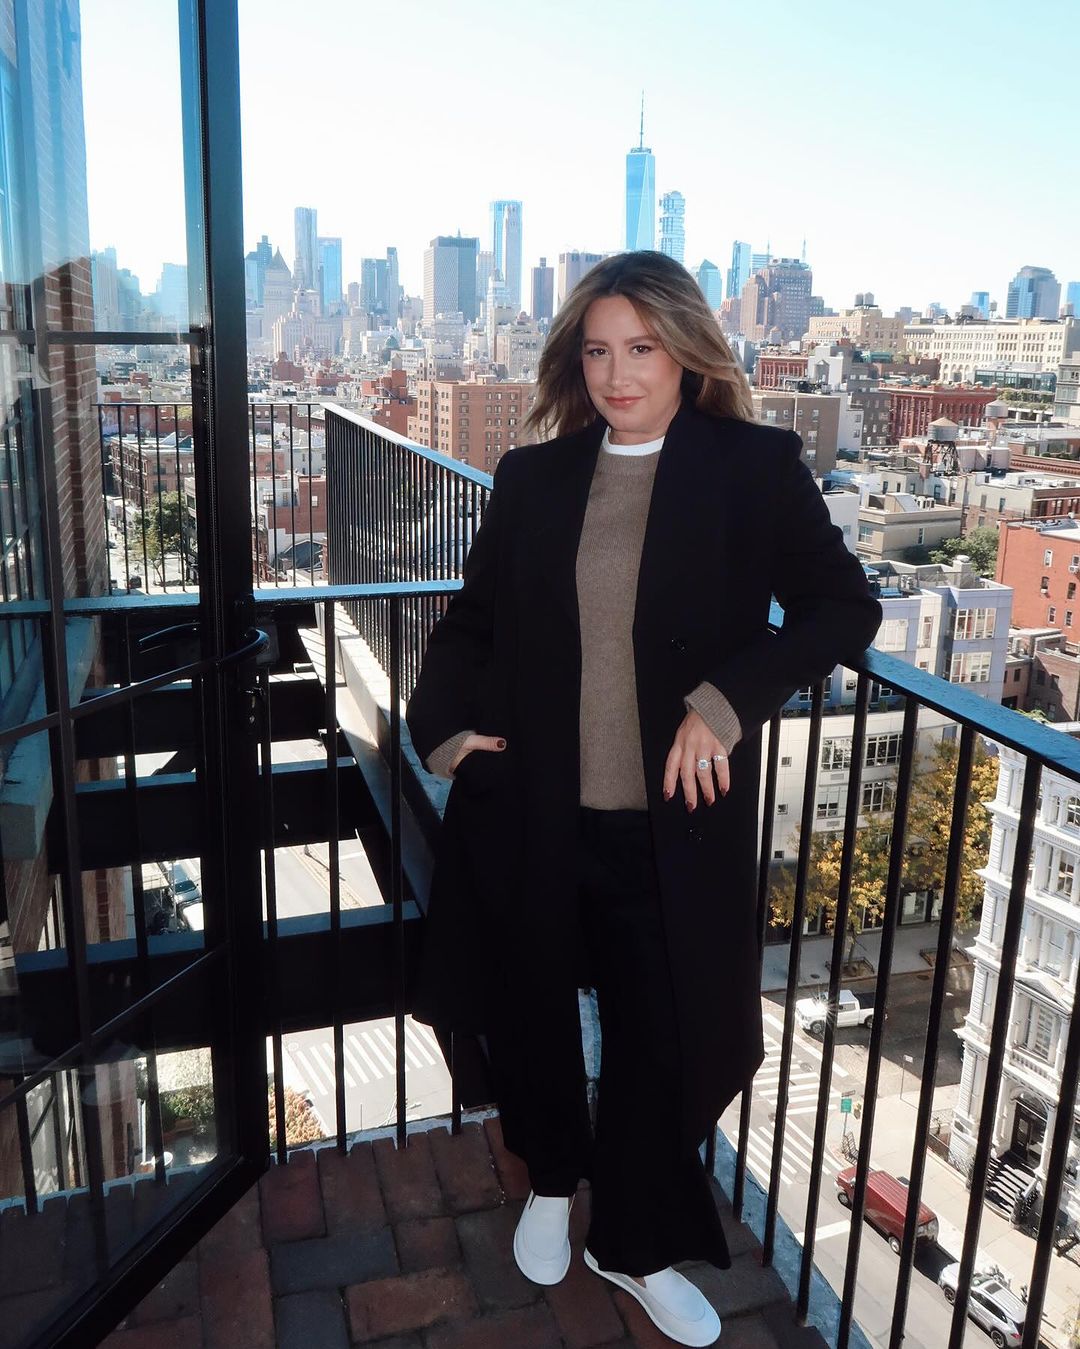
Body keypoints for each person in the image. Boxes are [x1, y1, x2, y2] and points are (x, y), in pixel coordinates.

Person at [405, 250, 882, 1346]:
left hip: (671, 827)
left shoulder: (754, 467)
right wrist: (444, 734)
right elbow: (472, 624)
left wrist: (727, 700)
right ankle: (549, 1178)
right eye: (597, 351)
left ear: (687, 352)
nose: (618, 375)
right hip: (534, 803)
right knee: (529, 1008)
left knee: (662, 1040)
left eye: (642, 348)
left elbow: (840, 606)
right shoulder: (536, 476)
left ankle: (632, 1241)